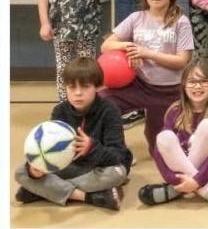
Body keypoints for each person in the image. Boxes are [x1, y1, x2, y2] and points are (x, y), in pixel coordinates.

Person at [15, 57, 131, 210]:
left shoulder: (110, 110)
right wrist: (38, 168)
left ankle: (43, 190)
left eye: (85, 87)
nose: (77, 93)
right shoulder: (60, 111)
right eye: (71, 87)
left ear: (98, 87)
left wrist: (92, 147)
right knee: (22, 172)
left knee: (116, 173)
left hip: (99, 168)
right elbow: (53, 155)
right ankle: (88, 197)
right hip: (70, 167)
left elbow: (119, 157)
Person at [100, 0, 193, 155]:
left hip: (170, 91)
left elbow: (182, 61)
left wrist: (146, 53)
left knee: (158, 150)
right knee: (102, 102)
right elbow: (106, 46)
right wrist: (129, 47)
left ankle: (154, 130)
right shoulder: (136, 18)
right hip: (140, 85)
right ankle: (117, 150)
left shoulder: (181, 21)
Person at [137, 59, 208, 210]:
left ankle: (172, 192)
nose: (197, 86)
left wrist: (197, 181)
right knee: (163, 137)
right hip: (180, 174)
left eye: (203, 81)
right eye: (192, 81)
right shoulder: (174, 110)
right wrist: (174, 180)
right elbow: (158, 151)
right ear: (183, 84)